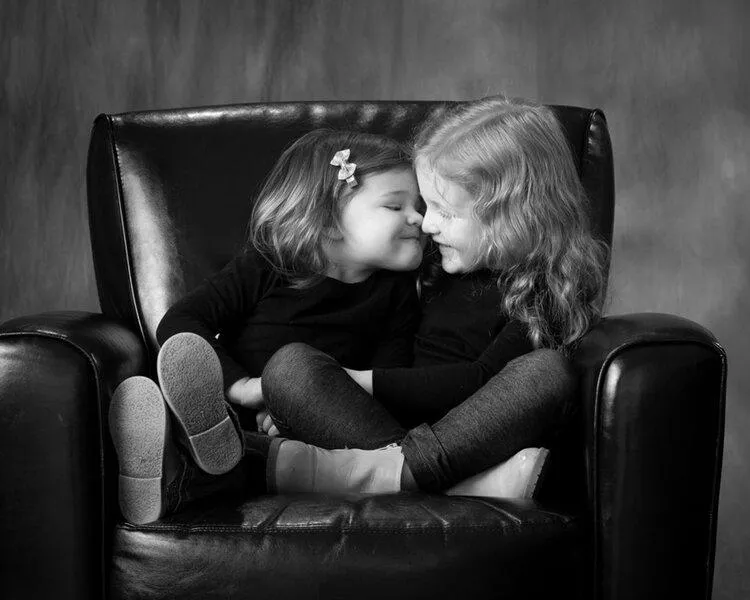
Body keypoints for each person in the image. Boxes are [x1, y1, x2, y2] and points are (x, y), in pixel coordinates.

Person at [253, 96, 609, 498]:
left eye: (446, 211)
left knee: (547, 373)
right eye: (428, 205)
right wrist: (321, 395)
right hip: (381, 428)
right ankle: (445, 484)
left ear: (512, 215)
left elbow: (480, 381)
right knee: (289, 367)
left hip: (469, 439)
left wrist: (361, 381)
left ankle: (393, 475)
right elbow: (366, 334)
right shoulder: (431, 264)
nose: (427, 223)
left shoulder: (546, 287)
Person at [108, 129, 426, 524]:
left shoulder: (397, 293)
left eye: (420, 206)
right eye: (395, 206)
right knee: (216, 431)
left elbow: (388, 380)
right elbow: (181, 321)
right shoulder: (268, 266)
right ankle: (177, 458)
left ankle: (184, 466)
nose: (420, 219)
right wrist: (243, 388)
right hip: (245, 416)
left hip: (333, 429)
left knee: (297, 382)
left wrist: (301, 409)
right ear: (328, 220)